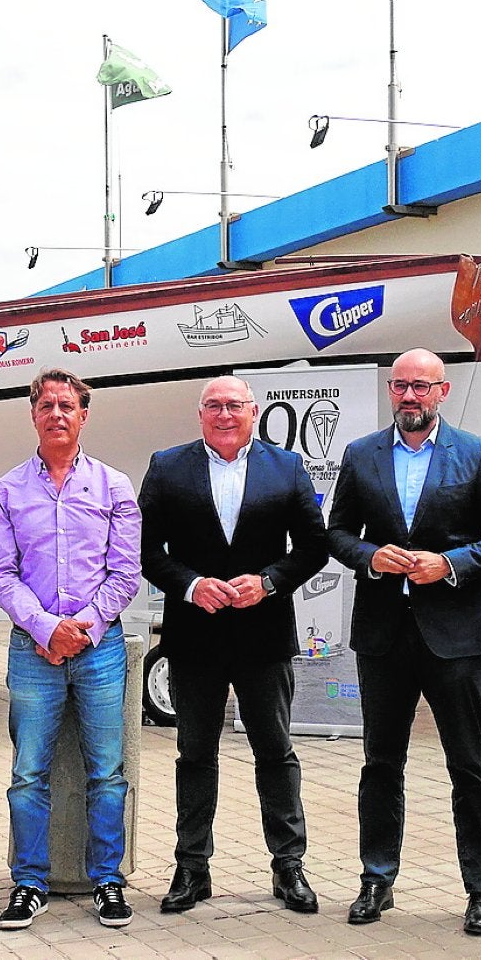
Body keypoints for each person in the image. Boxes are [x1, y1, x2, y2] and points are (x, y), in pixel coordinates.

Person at [326, 348, 481, 936]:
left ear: (442, 391)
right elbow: (336, 532)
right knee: (381, 763)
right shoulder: (362, 454)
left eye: (421, 387)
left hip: (457, 636)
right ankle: (376, 878)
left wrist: (451, 563)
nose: (409, 396)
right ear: (391, 392)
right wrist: (371, 557)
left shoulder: (477, 452)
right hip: (384, 636)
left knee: (469, 765)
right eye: (400, 387)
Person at [137, 375, 328, 916]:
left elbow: (313, 546)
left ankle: (289, 866)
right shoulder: (167, 466)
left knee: (275, 751)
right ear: (200, 414)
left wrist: (268, 581)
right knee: (195, 753)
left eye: (234, 405)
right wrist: (192, 585)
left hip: (262, 635)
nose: (224, 414)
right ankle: (191, 867)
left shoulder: (286, 467)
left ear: (254, 411)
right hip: (194, 635)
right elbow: (145, 550)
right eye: (214, 406)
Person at [0, 369, 141, 930]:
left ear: (83, 416)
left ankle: (108, 880)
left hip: (100, 649)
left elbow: (126, 573)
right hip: (34, 650)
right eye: (46, 404)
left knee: (107, 772)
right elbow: (0, 575)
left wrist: (84, 625)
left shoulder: (114, 486)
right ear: (33, 413)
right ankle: (29, 882)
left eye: (67, 405)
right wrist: (45, 628)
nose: (56, 413)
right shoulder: (7, 491)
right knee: (29, 773)